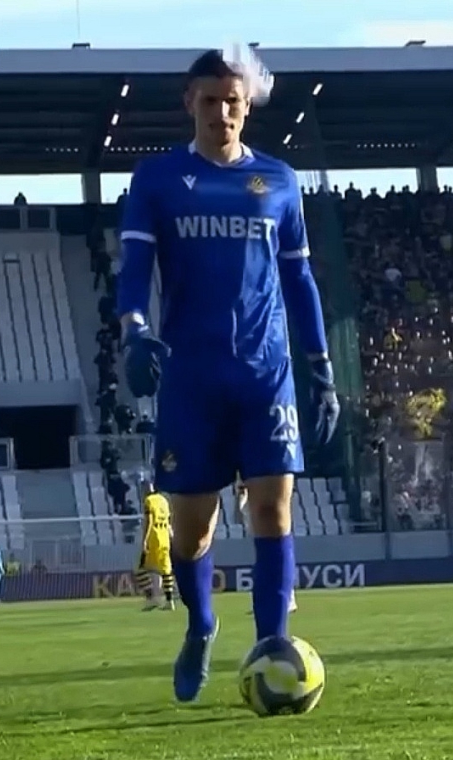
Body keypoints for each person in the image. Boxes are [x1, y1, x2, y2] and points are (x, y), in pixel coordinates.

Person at [116, 48, 339, 703]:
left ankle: (273, 650)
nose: (221, 113)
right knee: (193, 531)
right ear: (190, 102)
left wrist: (321, 366)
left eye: (232, 102)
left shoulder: (279, 182)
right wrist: (134, 331)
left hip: (266, 374)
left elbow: (299, 279)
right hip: (191, 379)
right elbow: (133, 272)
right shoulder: (158, 180)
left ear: (247, 107)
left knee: (272, 509)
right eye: (210, 101)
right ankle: (201, 625)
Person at [235, 478, 297, 613]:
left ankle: (286, 599)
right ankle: (275, 600)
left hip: (256, 508)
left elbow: (242, 493)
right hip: (253, 508)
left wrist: (239, 505)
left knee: (269, 556)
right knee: (267, 558)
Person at [137, 482, 176, 612]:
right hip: (165, 538)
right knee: (165, 570)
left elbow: (149, 521)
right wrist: (171, 535)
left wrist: (145, 540)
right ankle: (170, 601)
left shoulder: (149, 501)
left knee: (140, 569)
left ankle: (151, 598)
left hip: (154, 538)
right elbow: (169, 520)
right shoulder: (163, 500)